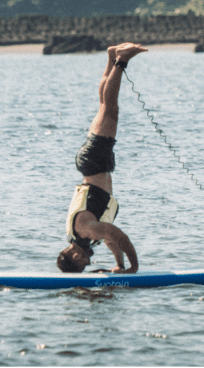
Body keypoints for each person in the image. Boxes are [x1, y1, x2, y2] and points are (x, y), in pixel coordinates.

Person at [56, 42, 147, 274]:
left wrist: (133, 268)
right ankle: (111, 57)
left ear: (75, 256)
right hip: (92, 162)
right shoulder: (87, 236)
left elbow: (117, 236)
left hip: (94, 162)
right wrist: (119, 264)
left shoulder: (85, 230)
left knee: (110, 108)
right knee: (104, 107)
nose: (89, 263)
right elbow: (110, 239)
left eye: (83, 264)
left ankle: (121, 60)